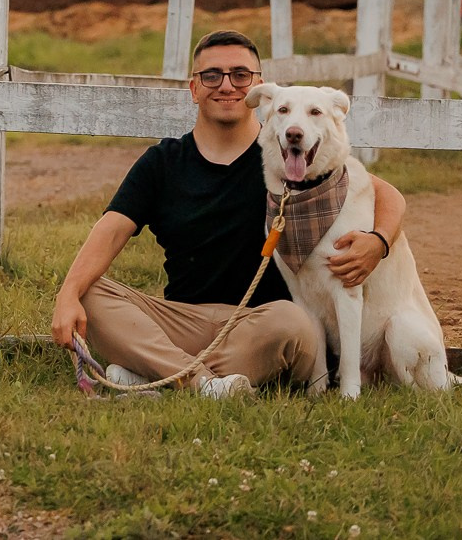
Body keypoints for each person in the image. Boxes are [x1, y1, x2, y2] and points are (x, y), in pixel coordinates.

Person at [48, 29, 408, 397]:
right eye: (211, 76)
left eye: (240, 75)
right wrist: (68, 294)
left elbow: (387, 194)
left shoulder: (288, 158)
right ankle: (203, 382)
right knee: (88, 292)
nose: (226, 85)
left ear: (259, 90)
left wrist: (378, 242)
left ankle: (157, 370)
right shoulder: (162, 162)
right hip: (182, 320)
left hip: (263, 324)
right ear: (194, 89)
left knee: (293, 321)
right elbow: (110, 230)